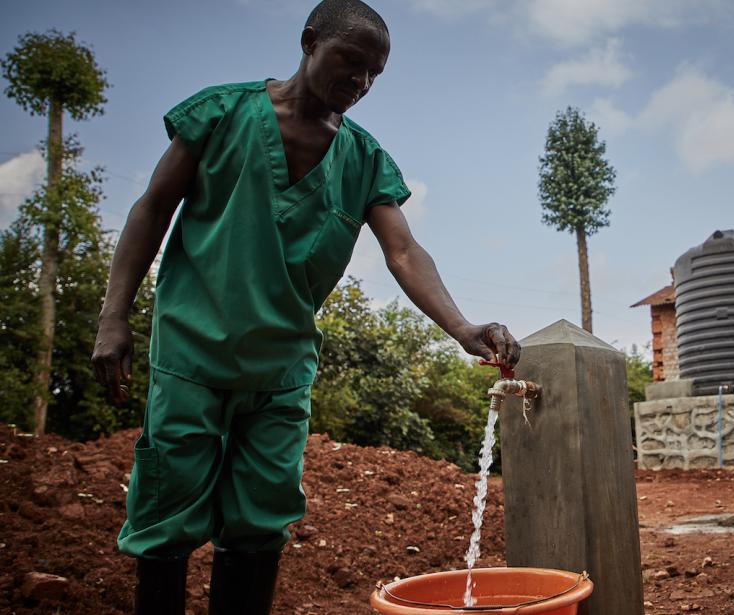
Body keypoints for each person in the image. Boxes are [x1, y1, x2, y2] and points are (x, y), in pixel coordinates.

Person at [91, 1, 519, 613]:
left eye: (375, 73)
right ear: (310, 42)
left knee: (262, 518)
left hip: (281, 369)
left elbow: (403, 251)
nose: (361, 82)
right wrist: (114, 318)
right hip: (192, 350)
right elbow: (151, 210)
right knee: (167, 511)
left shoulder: (363, 158)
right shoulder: (222, 114)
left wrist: (460, 326)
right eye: (351, 61)